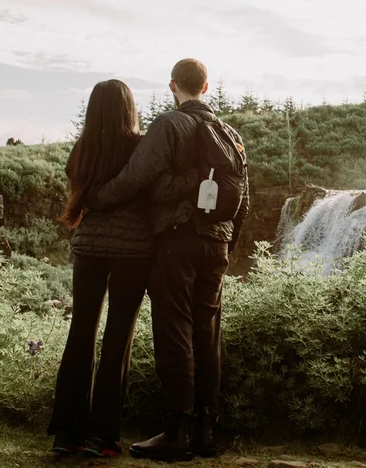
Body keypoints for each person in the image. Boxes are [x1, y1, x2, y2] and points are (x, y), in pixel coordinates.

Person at [89, 58, 249, 462]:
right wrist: (226, 246)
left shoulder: (170, 125)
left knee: (174, 332)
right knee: (206, 334)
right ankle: (206, 431)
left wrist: (96, 199)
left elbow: (136, 177)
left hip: (177, 242)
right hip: (216, 244)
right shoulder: (230, 134)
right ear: (207, 88)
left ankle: (177, 430)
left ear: (173, 86)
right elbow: (243, 199)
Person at [47, 79, 154, 458]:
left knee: (81, 332)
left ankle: (67, 434)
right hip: (133, 253)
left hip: (90, 250)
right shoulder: (141, 147)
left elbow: (78, 185)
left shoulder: (82, 149)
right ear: (129, 108)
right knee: (117, 339)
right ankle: (103, 437)